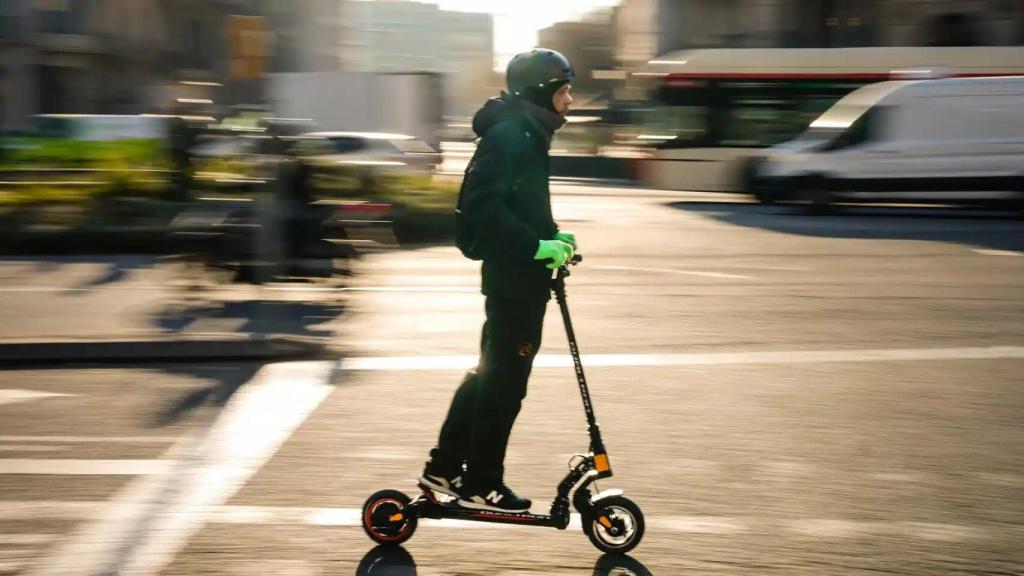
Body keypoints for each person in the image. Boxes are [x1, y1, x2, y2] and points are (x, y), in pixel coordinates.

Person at [419, 49, 578, 513]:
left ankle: (444, 468)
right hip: (513, 281)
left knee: (491, 375)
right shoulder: (511, 136)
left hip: (520, 279)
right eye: (565, 91)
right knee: (504, 384)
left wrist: (551, 234)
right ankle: (481, 480)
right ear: (541, 92)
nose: (571, 100)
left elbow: (516, 204)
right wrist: (534, 246)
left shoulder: (526, 133)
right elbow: (485, 209)